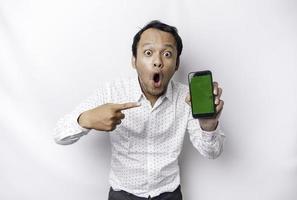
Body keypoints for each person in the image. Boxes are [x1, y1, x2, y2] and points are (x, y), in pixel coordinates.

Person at [54, 20, 225, 200]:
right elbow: (59, 134)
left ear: (176, 64)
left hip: (169, 195)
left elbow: (212, 153)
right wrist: (87, 119)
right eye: (148, 53)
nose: (158, 62)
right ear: (134, 61)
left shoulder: (187, 98)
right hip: (122, 195)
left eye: (167, 54)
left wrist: (208, 125)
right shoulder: (112, 92)